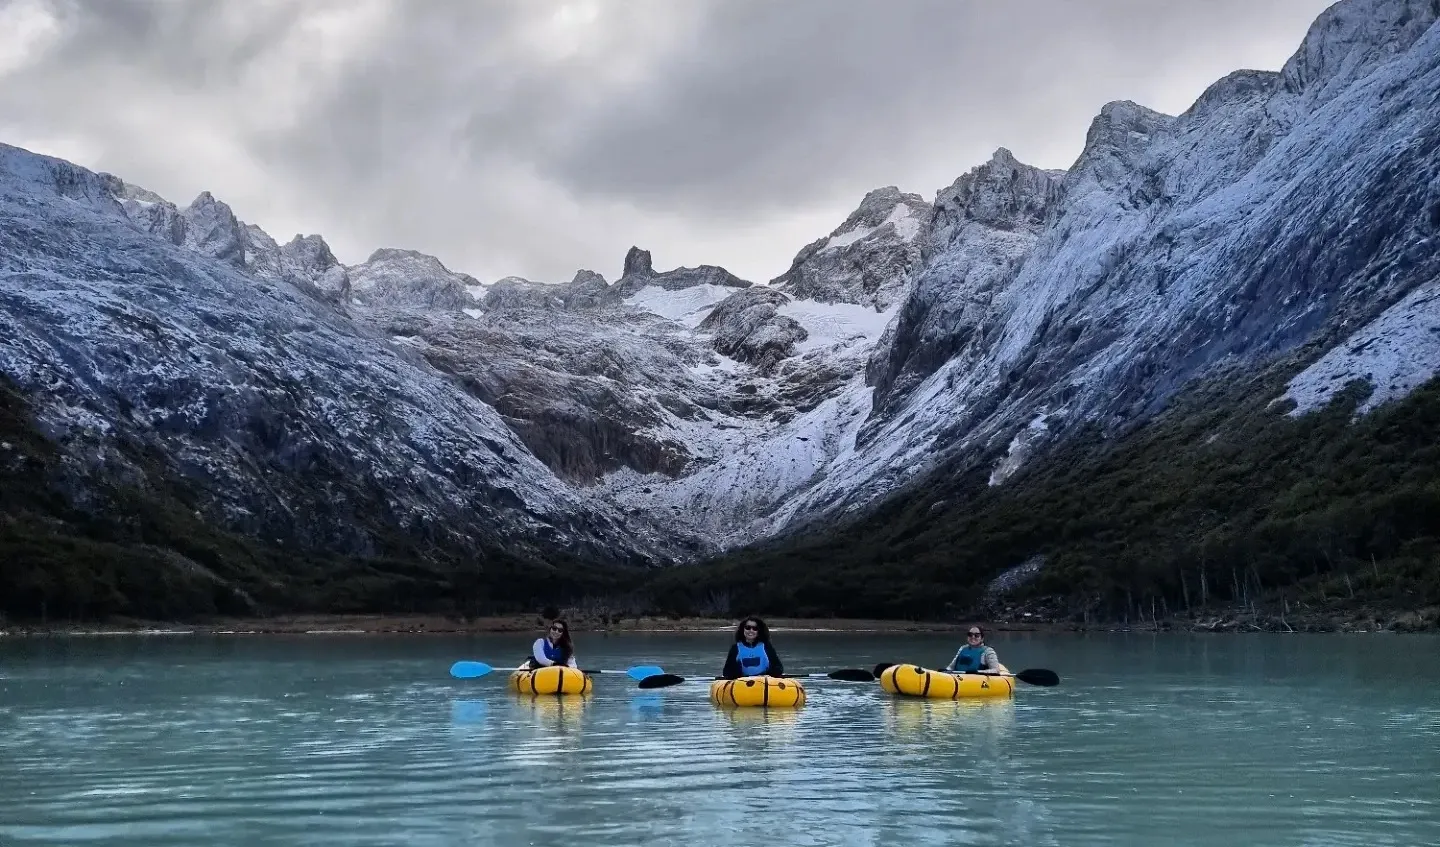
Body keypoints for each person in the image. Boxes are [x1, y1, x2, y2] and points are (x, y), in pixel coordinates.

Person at [943, 625, 1010, 675]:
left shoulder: (988, 651)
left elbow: (996, 670)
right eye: (970, 635)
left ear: (982, 638)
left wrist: (978, 672)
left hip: (977, 681)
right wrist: (946, 670)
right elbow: (951, 667)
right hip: (959, 678)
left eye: (976, 635)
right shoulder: (962, 648)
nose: (973, 637)